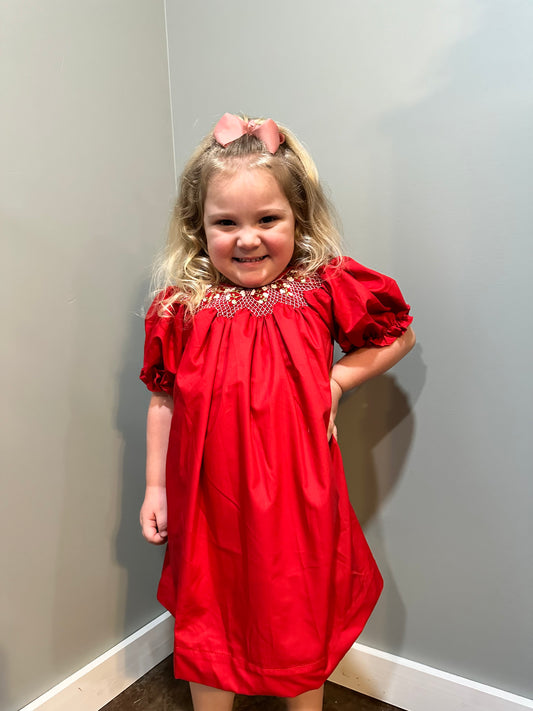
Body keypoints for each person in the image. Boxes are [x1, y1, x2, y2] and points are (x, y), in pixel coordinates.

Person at [139, 113, 415, 711]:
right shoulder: (180, 306)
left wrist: (339, 380)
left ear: (298, 218)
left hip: (298, 500)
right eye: (225, 223)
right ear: (198, 227)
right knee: (208, 617)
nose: (247, 238)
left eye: (268, 219)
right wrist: (155, 487)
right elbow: (163, 398)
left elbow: (397, 335)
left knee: (297, 613)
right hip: (207, 502)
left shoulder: (321, 288)